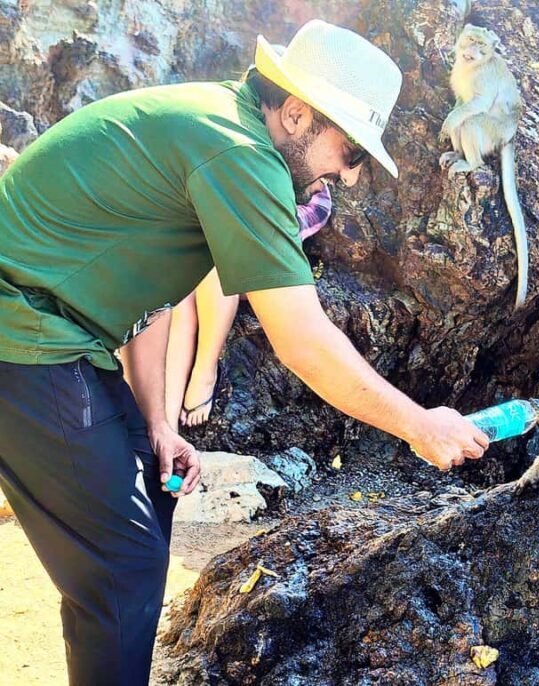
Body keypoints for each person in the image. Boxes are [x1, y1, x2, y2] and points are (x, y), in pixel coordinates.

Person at [0, 19, 489, 686]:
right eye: (351, 151)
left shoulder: (219, 126)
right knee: (122, 567)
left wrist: (157, 422)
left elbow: (152, 298)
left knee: (154, 487)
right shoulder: (240, 154)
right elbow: (302, 339)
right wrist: (419, 425)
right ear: (296, 113)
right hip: (25, 334)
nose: (348, 177)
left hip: (57, 334)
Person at [164, 183, 333, 429]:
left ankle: (204, 372)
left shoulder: (310, 186)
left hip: (254, 256)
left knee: (215, 266)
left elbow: (277, 227)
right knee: (181, 302)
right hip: (210, 237)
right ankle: (166, 425)